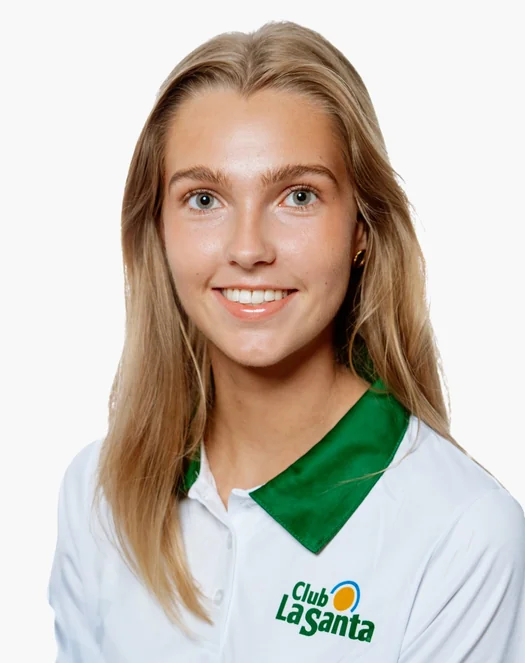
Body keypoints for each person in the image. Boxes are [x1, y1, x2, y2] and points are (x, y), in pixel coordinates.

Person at [47, 20, 525, 662]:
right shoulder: (100, 492)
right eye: (204, 199)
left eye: (298, 196)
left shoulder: (465, 534)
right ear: (156, 228)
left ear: (362, 228)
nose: (248, 249)